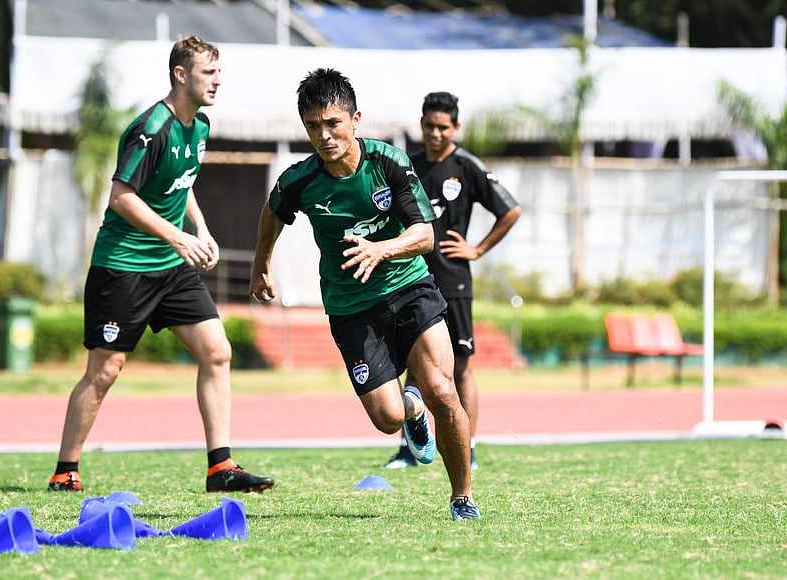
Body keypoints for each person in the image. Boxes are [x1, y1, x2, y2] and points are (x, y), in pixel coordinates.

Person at [249, 68, 480, 520]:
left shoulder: (387, 163)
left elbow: (424, 235)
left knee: (441, 389)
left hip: (409, 287)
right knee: (387, 418)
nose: (324, 135)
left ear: (355, 119)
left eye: (333, 123)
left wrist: (381, 249)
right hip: (351, 307)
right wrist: (261, 265)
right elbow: (272, 213)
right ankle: (410, 411)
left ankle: (462, 498)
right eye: (313, 126)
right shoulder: (300, 180)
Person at [48, 35, 274, 494]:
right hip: (123, 265)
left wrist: (201, 229)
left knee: (217, 351)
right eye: (208, 72)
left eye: (219, 71)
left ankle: (220, 468)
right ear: (180, 74)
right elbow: (121, 196)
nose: (217, 80)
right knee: (105, 370)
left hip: (171, 267)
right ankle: (65, 471)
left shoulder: (200, 126)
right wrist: (177, 236)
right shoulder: (152, 127)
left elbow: (181, 183)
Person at [384, 92, 521, 471]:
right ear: (421, 125)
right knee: (414, 365)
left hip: (454, 282)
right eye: (429, 126)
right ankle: (408, 451)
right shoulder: (406, 165)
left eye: (443, 127)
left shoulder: (467, 166)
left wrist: (477, 249)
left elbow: (511, 211)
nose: (435, 133)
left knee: (460, 369)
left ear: (455, 128)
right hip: (411, 280)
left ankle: (468, 449)